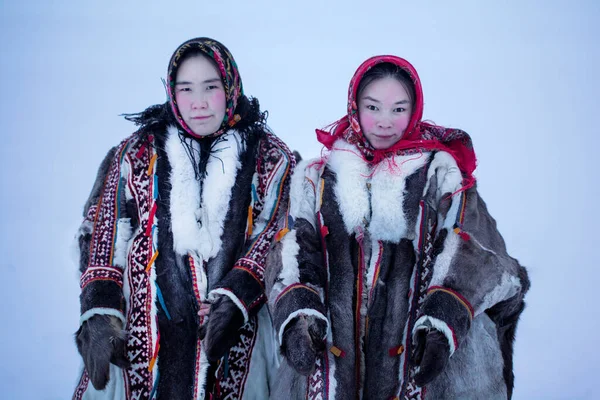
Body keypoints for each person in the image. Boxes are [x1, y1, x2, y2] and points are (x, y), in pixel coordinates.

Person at [267, 55, 529, 399]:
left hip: (423, 362)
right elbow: (292, 246)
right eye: (373, 107)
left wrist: (445, 317)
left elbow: (474, 244)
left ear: (414, 109)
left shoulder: (441, 174)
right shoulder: (316, 177)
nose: (384, 122)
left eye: (398, 109)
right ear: (355, 106)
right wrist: (297, 310)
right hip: (330, 360)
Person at [73, 37, 294, 400]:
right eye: (186, 88)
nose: (199, 102)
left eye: (211, 87)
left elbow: (278, 233)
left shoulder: (270, 156)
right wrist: (100, 311)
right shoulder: (138, 152)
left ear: (231, 87)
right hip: (144, 343)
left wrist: (235, 297)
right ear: (172, 92)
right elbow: (104, 231)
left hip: (238, 343)